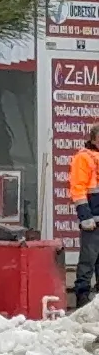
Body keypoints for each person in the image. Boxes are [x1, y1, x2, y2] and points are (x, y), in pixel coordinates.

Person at [70, 123, 99, 308]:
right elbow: (78, 189)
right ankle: (82, 298)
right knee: (88, 260)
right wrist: (85, 216)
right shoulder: (83, 157)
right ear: (94, 138)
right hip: (92, 220)